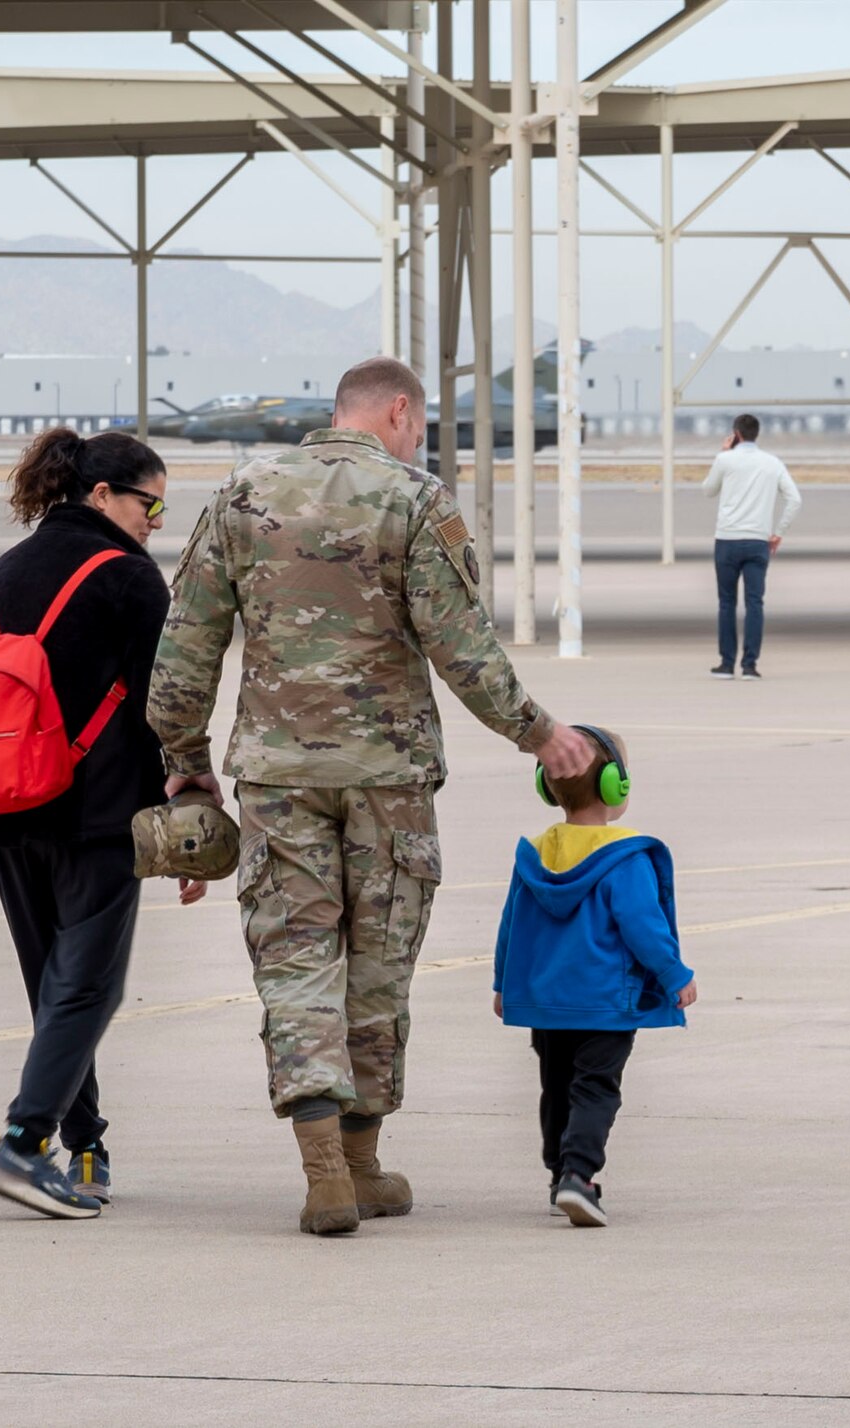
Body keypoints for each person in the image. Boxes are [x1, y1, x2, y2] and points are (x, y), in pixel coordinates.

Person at [147, 355, 594, 1237]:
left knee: (295, 962)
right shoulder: (416, 500)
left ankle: (325, 1176)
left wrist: (185, 756)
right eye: (418, 424)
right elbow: (459, 643)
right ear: (396, 412)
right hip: (388, 779)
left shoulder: (241, 495)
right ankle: (359, 1162)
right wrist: (538, 731)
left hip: (278, 778)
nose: (418, 438)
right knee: (378, 967)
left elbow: (186, 645)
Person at [0, 427, 203, 1220]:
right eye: (151, 502)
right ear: (103, 496)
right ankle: (24, 1145)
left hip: (1, 810)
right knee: (88, 985)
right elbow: (165, 707)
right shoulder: (130, 579)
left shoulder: (0, 575)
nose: (157, 520)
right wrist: (191, 808)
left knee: (53, 987)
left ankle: (86, 1140)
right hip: (95, 815)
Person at [493, 725, 697, 1228]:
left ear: (548, 786)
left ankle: (559, 1172)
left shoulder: (534, 852)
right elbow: (643, 927)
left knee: (557, 1085)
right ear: (615, 785)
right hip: (606, 1001)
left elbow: (510, 923)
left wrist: (503, 984)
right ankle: (579, 1176)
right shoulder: (625, 858)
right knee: (596, 1087)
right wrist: (675, 974)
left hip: (547, 1000)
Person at [703, 413, 801, 680]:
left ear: (736, 433)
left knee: (727, 603)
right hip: (758, 540)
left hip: (727, 539)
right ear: (757, 433)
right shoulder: (772, 463)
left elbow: (708, 490)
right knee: (755, 603)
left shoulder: (725, 459)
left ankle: (726, 663)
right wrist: (778, 533)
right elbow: (794, 499)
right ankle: (750, 665)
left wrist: (722, 452)